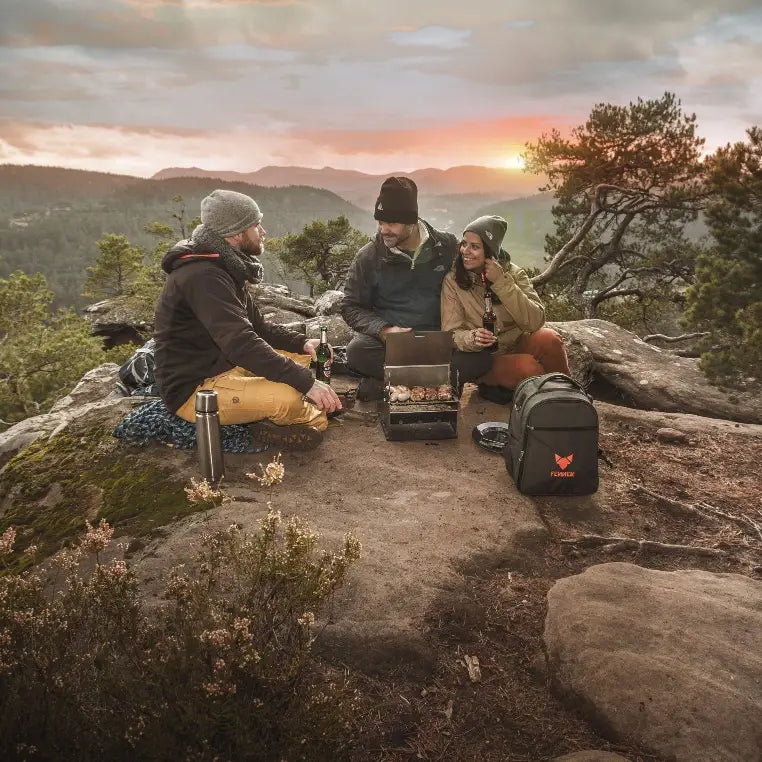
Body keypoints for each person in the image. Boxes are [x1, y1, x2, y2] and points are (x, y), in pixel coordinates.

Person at [153, 188, 342, 450]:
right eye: (256, 225)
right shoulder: (204, 276)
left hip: (223, 365)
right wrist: (306, 383)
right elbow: (241, 343)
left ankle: (299, 407)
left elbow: (259, 327)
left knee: (308, 358)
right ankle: (287, 422)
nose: (263, 231)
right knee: (290, 396)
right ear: (235, 234)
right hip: (196, 388)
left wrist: (303, 343)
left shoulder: (226, 266)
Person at [341, 176, 459, 400]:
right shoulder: (369, 256)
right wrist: (384, 330)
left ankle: (392, 382)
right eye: (380, 222)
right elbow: (351, 306)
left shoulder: (445, 246)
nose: (384, 230)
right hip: (392, 343)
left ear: (411, 221)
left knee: (480, 356)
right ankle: (431, 383)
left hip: (440, 338)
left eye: (392, 223)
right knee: (357, 352)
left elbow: (477, 264)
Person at [440, 214, 571, 403]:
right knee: (529, 369)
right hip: (484, 359)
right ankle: (547, 410)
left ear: (490, 253)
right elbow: (451, 333)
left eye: (475, 246)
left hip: (515, 344)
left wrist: (501, 283)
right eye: (464, 243)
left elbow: (535, 321)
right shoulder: (453, 281)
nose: (465, 251)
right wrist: (473, 337)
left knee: (550, 339)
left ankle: (571, 398)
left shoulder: (513, 273)